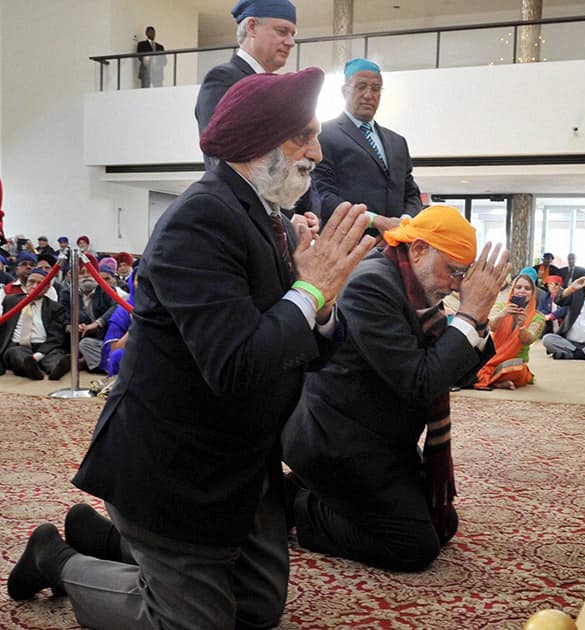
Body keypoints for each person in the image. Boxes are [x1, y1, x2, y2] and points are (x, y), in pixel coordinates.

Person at [7, 68, 376, 629]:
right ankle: (56, 559)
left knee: (255, 610)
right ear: (260, 142)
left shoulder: (265, 216)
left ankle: (102, 537)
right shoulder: (200, 219)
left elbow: (302, 346)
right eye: (304, 136)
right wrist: (309, 290)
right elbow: (235, 365)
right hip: (173, 467)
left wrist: (319, 306)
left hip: (237, 464)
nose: (318, 152)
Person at [283, 204, 509, 572]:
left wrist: (477, 320)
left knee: (443, 525)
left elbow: (458, 375)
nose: (455, 284)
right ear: (418, 249)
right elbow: (420, 382)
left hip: (382, 436)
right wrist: (468, 316)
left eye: (463, 275)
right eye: (452, 271)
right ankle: (297, 505)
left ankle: (312, 490)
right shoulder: (372, 284)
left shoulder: (414, 288)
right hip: (336, 441)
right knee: (413, 546)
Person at [314, 57, 422, 233]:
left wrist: (402, 224)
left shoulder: (397, 142)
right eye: (361, 86)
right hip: (347, 243)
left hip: (393, 245)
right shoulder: (324, 134)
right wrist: (376, 221)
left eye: (376, 88)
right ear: (344, 91)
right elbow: (323, 195)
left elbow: (411, 194)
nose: (368, 95)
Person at [195, 0, 298, 152]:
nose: (291, 42)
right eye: (282, 31)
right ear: (252, 27)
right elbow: (220, 156)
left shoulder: (277, 88)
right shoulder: (223, 79)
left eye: (292, 34)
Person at [474, 271, 546, 390]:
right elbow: (490, 326)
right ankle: (497, 381)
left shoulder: (538, 317)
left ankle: (493, 379)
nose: (522, 291)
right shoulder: (501, 307)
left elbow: (528, 340)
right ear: (513, 290)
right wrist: (503, 314)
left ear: (533, 293)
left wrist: (522, 326)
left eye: (527, 288)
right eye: (518, 287)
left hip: (513, 362)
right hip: (492, 357)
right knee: (470, 362)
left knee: (517, 368)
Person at [0, 267, 71, 380]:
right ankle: (32, 370)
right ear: (26, 284)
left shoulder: (55, 307)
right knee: (15, 354)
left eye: (40, 283)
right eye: (31, 282)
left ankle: (56, 369)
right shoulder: (11, 301)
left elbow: (56, 336)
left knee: (54, 357)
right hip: (19, 345)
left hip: (44, 345)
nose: (34, 286)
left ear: (47, 288)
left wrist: (40, 354)